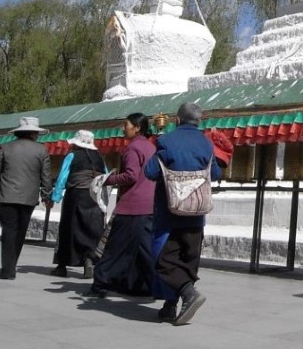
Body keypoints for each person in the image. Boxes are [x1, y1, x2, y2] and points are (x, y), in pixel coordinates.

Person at [143, 102, 221, 325]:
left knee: (164, 262)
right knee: (187, 260)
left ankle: (187, 294)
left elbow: (149, 172)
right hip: (197, 212)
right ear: (199, 121)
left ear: (177, 120)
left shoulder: (166, 141)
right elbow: (214, 173)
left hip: (169, 212)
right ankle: (171, 306)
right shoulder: (206, 144)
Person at [90, 113, 157, 297]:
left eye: (126, 125)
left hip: (132, 206)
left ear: (137, 128)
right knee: (144, 251)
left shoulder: (133, 148)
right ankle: (145, 285)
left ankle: (101, 282)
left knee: (115, 247)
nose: (123, 128)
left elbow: (131, 175)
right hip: (149, 205)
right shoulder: (150, 147)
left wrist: (108, 179)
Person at [0, 116, 52, 280]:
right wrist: (47, 196)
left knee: (9, 231)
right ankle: (11, 266)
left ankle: (7, 269)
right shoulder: (41, 151)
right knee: (20, 232)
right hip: (28, 198)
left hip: (6, 196)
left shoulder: (5, 148)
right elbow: (46, 177)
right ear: (34, 133)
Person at [49, 130, 106, 278]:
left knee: (69, 229)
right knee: (91, 230)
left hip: (76, 196)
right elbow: (105, 178)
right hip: (95, 198)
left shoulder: (72, 156)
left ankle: (62, 266)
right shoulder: (100, 158)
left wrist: (55, 196)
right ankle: (88, 260)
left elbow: (63, 177)